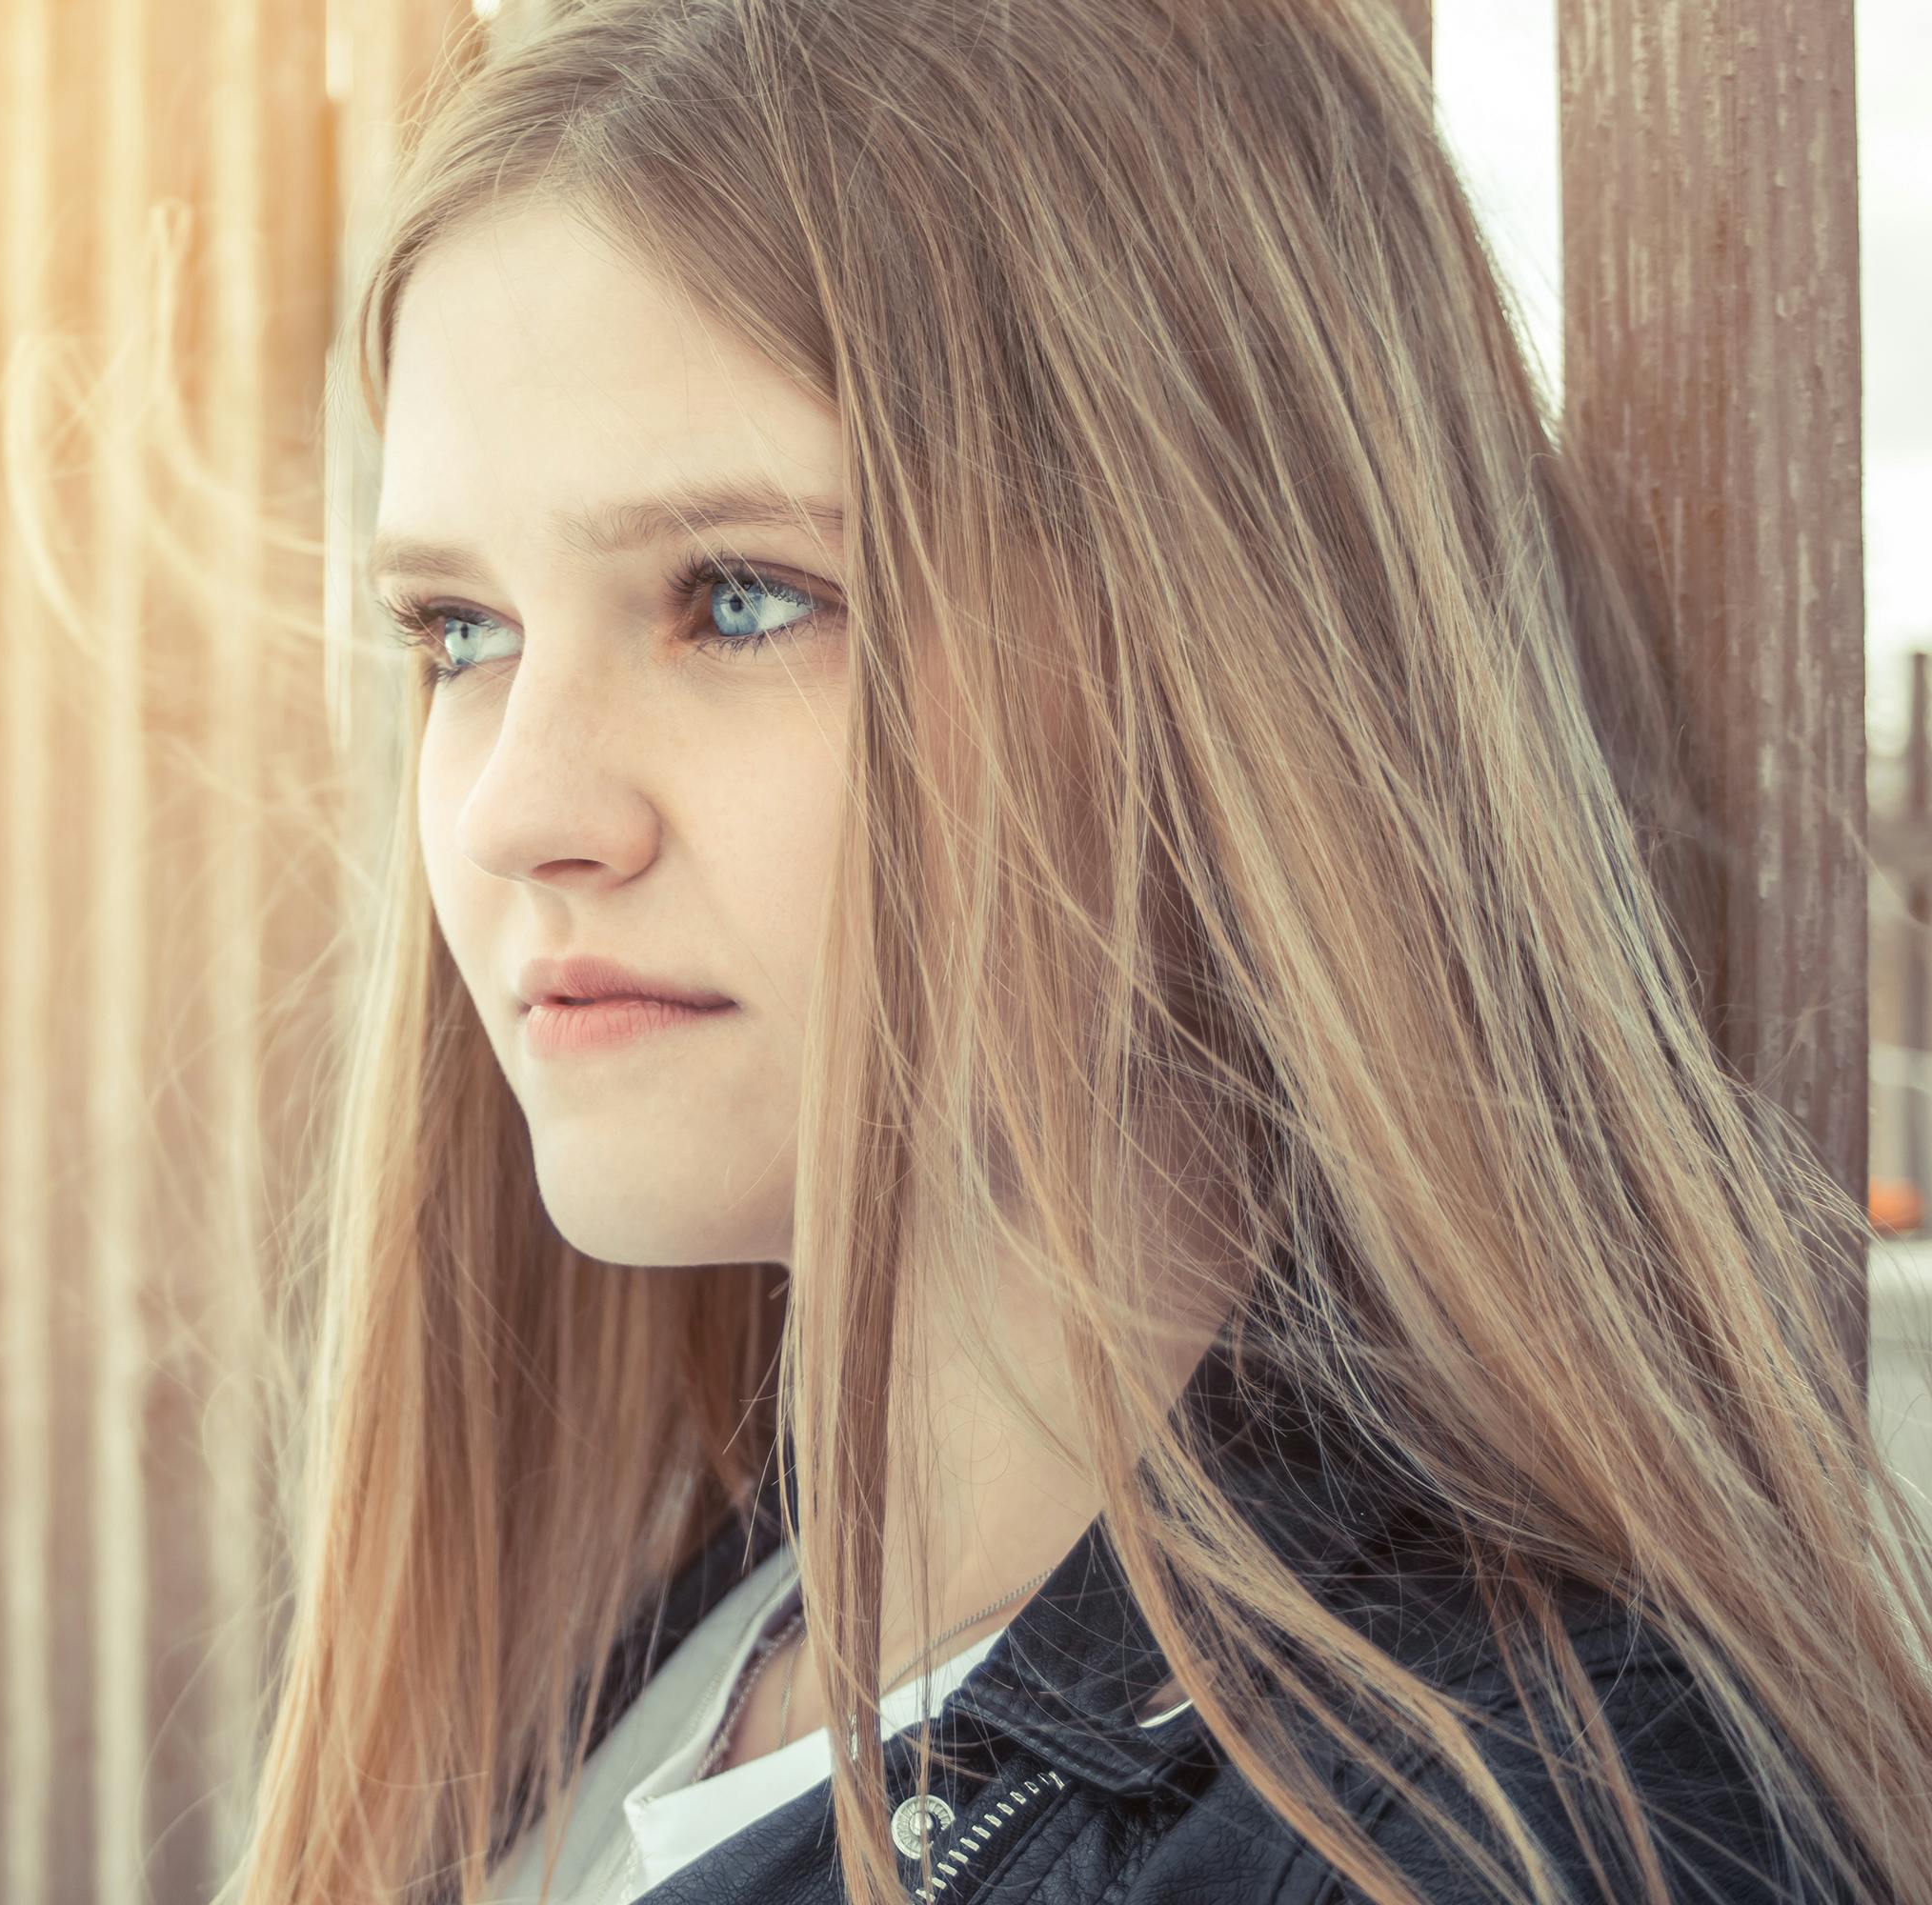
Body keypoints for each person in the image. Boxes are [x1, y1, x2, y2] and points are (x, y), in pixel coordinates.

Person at [219, 0, 1932, 1899]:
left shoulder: (1476, 1847)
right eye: (461, 631)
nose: (515, 807)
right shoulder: (659, 1641)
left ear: (1225, 651)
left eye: (743, 596)